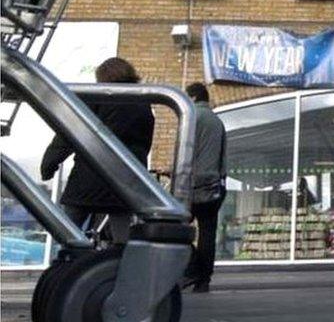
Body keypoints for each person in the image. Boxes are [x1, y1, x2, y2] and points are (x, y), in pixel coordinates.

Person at [40, 57, 154, 243]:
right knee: (121, 235)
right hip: (125, 179)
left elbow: (69, 132)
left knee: (68, 233)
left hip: (89, 175)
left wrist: (49, 164)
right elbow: (144, 144)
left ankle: (65, 268)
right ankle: (120, 269)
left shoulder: (98, 95)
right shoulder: (143, 102)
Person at [182, 82, 227, 293]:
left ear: (192, 98)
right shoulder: (218, 122)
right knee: (207, 234)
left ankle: (192, 269)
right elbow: (222, 157)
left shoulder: (191, 119)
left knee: (178, 229)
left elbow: (185, 151)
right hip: (214, 185)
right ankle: (203, 280)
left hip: (191, 186)